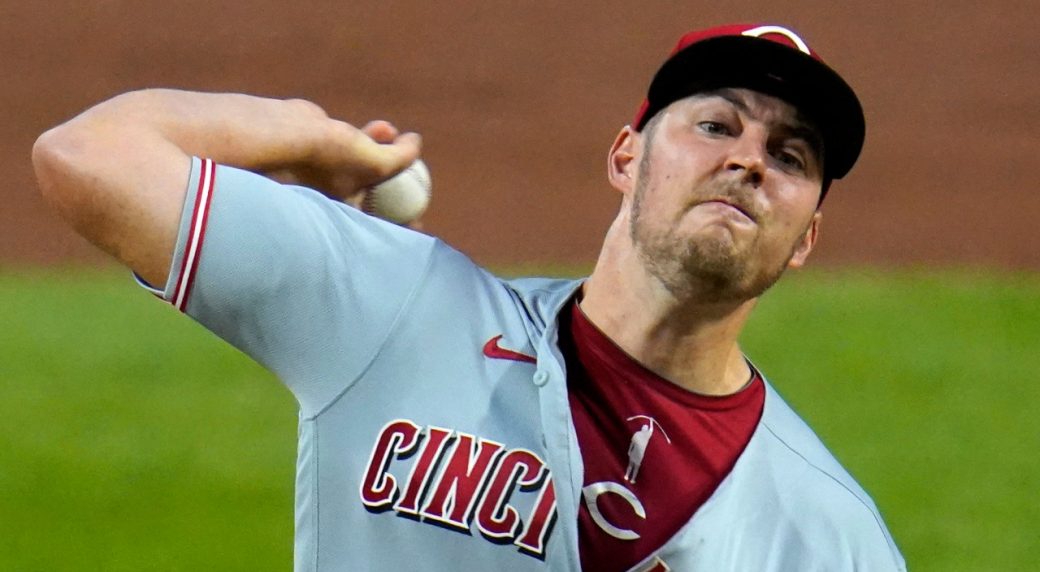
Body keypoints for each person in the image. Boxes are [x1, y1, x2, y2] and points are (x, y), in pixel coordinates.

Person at [32, 22, 905, 572]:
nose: (750, 158)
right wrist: (307, 133)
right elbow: (89, 157)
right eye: (716, 125)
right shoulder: (395, 311)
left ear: (807, 238)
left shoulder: (828, 533)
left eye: (791, 157)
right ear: (627, 157)